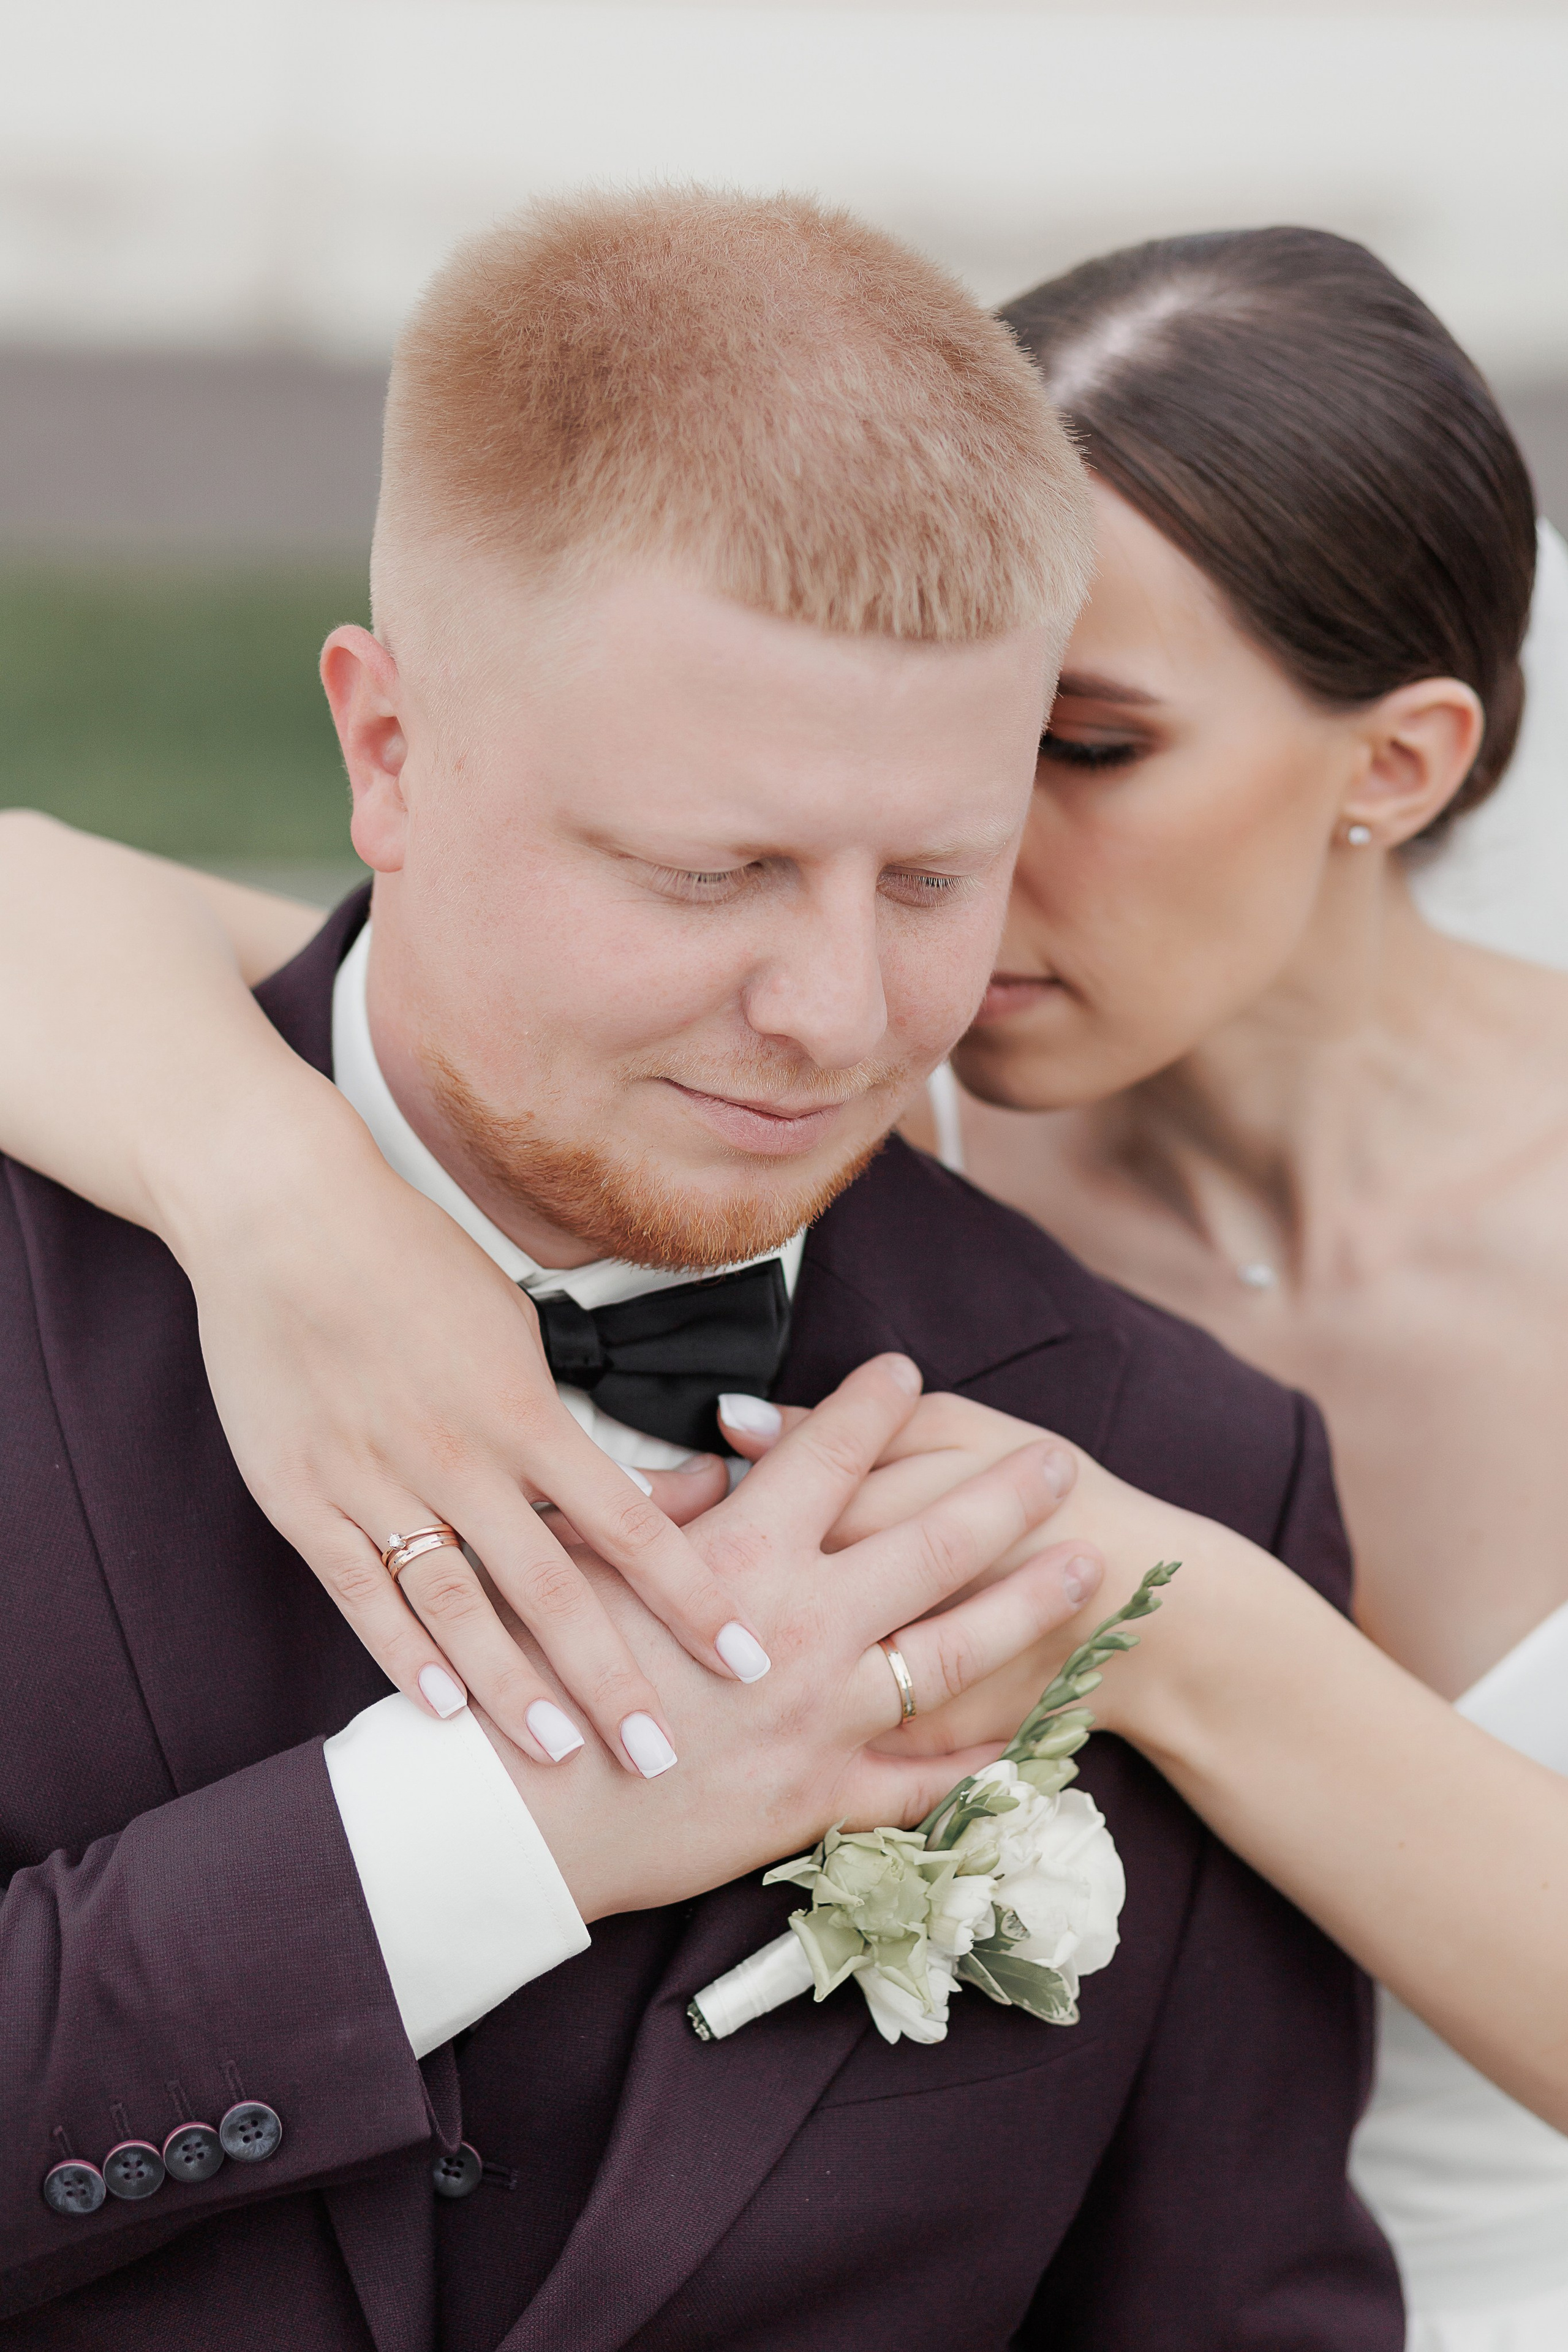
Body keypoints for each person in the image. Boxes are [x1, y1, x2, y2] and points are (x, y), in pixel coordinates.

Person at [0, 192, 1400, 2348]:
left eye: (933, 876)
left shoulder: (1171, 1468)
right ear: (388, 752)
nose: (837, 1016)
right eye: (708, 871)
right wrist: (483, 1840)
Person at [904, 228, 1568, 2352]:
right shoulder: (824, 1114)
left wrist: (1169, 1626)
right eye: (941, 722)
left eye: (1090, 748)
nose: (958, 841)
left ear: (1401, 764)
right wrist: (273, 1202)